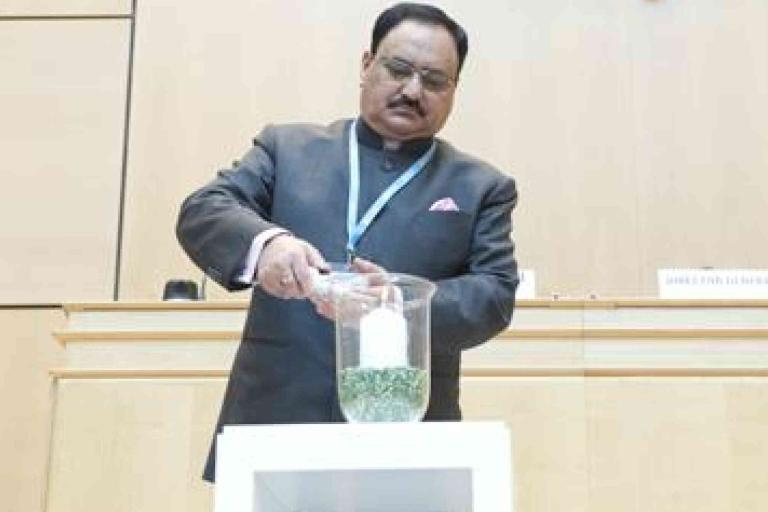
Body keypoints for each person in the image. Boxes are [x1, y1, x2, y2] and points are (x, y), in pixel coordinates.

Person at [177, 2, 519, 482]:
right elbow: (205, 209)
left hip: (409, 433)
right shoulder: (288, 149)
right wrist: (268, 245)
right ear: (366, 65)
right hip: (276, 423)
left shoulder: (480, 186)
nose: (412, 90)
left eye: (435, 80)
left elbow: (495, 294)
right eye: (398, 69)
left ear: (454, 90)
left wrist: (399, 305)